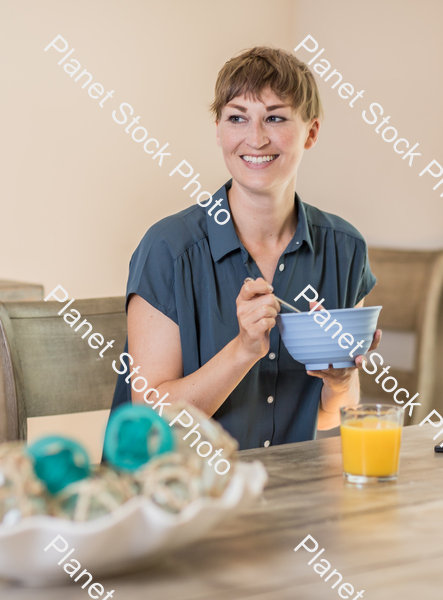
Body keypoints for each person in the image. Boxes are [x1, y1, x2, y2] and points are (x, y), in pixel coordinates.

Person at [110, 46, 379, 450]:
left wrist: (340, 380)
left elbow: (329, 416)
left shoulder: (345, 249)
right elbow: (148, 419)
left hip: (287, 496)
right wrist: (243, 350)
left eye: (275, 117)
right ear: (219, 129)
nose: (255, 138)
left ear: (311, 132)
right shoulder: (169, 248)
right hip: (175, 495)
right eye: (238, 118)